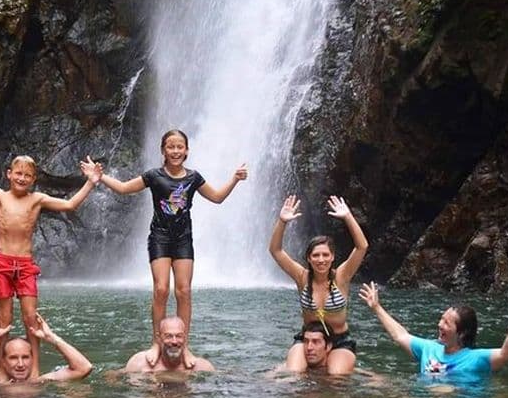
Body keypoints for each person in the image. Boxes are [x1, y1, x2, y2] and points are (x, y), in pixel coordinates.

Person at [0, 140, 99, 378]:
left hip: (25, 265)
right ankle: (2, 368)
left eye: (27, 175)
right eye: (18, 173)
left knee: (31, 319)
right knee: (4, 320)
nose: (22, 178)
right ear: (9, 174)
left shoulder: (37, 199)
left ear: (34, 179)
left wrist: (91, 182)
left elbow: (70, 204)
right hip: (2, 262)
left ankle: (34, 370)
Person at [95, 129, 247, 368]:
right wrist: (100, 177)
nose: (175, 151)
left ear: (186, 151)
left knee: (184, 291)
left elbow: (217, 197)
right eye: (171, 147)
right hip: (160, 237)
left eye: (180, 147)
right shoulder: (154, 176)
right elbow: (124, 188)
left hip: (183, 239)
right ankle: (157, 342)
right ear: (163, 150)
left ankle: (184, 346)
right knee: (161, 289)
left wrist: (235, 179)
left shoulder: (194, 177)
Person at [268, 194, 368, 375]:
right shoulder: (302, 277)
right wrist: (282, 221)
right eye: (315, 255)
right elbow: (276, 250)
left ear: (332, 257)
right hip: (309, 340)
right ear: (309, 258)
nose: (321, 260)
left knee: (336, 377)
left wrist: (347, 216)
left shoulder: (342, 276)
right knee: (293, 374)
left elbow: (361, 247)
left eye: (325, 255)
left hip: (339, 341)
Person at [359, 282, 508, 376]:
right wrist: (376, 307)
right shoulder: (429, 348)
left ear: (462, 332)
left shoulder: (476, 358)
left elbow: (504, 354)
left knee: (445, 391)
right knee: (374, 378)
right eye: (441, 319)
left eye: (447, 323)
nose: (440, 325)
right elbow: (400, 335)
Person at [0, 312, 92, 384]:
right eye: (13, 358)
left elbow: (84, 367)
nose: (20, 364)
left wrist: (52, 337)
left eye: (25, 357)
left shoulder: (41, 381)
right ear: (3, 361)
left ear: (33, 359)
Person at [123, 316, 215, 373]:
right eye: (168, 336)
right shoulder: (139, 364)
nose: (174, 341)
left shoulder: (201, 367)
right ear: (159, 338)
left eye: (179, 336)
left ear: (185, 338)